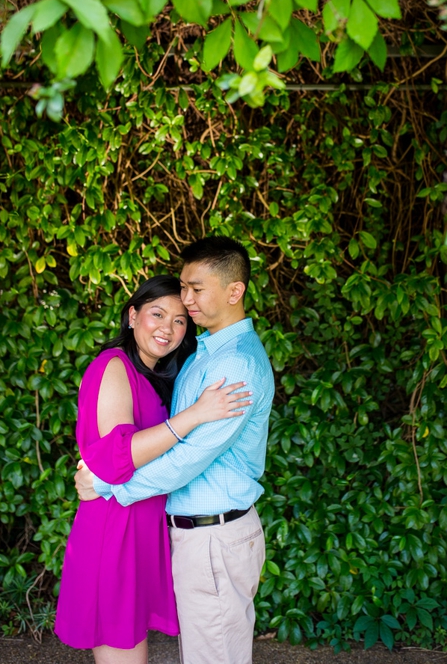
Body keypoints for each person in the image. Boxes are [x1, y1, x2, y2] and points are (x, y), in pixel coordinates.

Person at [74, 237, 275, 664]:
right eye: (182, 289)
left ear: (234, 291)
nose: (187, 301)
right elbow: (132, 443)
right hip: (187, 534)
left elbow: (189, 458)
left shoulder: (233, 364)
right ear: (133, 316)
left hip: (212, 536)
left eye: (195, 291)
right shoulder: (200, 355)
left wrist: (108, 486)